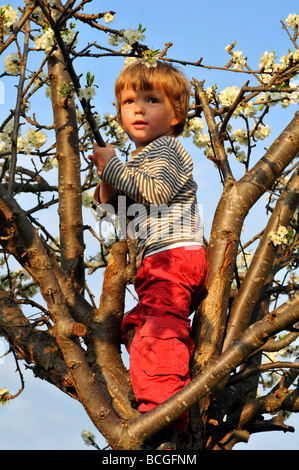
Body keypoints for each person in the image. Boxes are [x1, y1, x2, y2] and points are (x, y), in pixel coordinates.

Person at [88, 60, 208, 450]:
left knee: (160, 328)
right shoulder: (138, 160)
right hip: (156, 263)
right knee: (139, 328)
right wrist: (107, 182)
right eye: (128, 101)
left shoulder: (168, 150)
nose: (137, 109)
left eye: (151, 99)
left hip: (174, 256)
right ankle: (160, 388)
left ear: (175, 116)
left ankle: (164, 412)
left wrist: (114, 168)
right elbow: (122, 211)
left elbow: (154, 193)